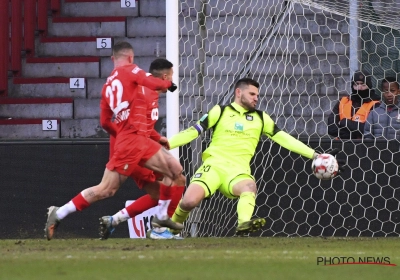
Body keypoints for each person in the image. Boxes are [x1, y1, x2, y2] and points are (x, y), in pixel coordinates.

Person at [149, 77, 344, 237]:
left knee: (249, 187)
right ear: (238, 92)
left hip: (238, 170)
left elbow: (284, 138)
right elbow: (194, 131)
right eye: (252, 94)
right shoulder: (221, 110)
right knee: (189, 202)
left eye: (257, 95)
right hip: (214, 166)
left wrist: (314, 154)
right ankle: (170, 229)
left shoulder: (261, 118)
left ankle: (243, 224)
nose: (256, 98)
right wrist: (170, 142)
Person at [44, 42, 185, 240]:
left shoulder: (107, 86)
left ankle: (160, 219)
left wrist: (128, 134)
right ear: (131, 57)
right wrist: (169, 84)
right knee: (106, 190)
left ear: (112, 59)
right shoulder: (131, 71)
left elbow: (104, 122)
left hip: (136, 139)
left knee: (175, 171)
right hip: (132, 142)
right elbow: (154, 83)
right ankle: (59, 213)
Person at [98, 58, 185, 240]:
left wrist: (157, 138)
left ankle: (114, 220)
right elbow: (136, 127)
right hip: (133, 150)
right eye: (171, 76)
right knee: (173, 181)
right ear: (165, 76)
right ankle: (160, 229)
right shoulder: (145, 91)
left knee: (160, 193)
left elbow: (138, 125)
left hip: (130, 147)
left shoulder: (142, 88)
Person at [327, 71, 380, 139]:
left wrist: (345, 123)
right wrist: (350, 135)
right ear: (352, 85)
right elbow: (331, 128)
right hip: (342, 145)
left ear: (369, 86)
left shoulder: (375, 104)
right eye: (356, 84)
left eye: (363, 85)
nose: (359, 88)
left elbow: (369, 129)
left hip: (363, 146)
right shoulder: (343, 101)